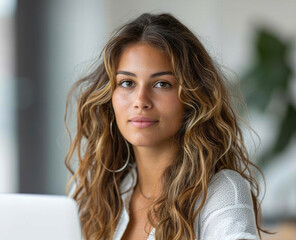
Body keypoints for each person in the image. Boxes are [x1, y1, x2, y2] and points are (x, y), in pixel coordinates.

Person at [65, 13, 267, 240]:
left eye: (162, 84)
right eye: (127, 83)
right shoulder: (92, 193)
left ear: (192, 98)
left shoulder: (220, 191)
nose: (141, 100)